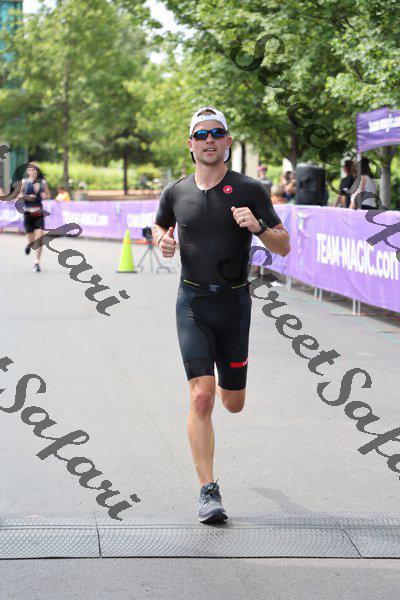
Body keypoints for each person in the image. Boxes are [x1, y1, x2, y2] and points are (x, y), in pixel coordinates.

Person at [151, 106, 290, 524]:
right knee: (201, 395)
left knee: (233, 403)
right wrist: (162, 242)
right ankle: (208, 491)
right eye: (201, 134)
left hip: (234, 304)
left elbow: (283, 245)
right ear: (190, 144)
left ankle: (225, 388)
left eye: (216, 133)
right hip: (192, 301)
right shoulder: (176, 192)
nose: (209, 140)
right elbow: (159, 226)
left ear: (227, 141)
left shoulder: (250, 189)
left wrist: (258, 228)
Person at [20, 163, 50, 272]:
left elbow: (48, 194)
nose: (34, 171)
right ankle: (29, 244)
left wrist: (45, 195)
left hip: (38, 213)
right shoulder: (24, 182)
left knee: (39, 239)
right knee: (32, 241)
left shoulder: (43, 182)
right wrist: (27, 196)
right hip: (28, 213)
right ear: (28, 171)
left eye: (36, 169)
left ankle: (36, 263)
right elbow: (17, 195)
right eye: (32, 169)